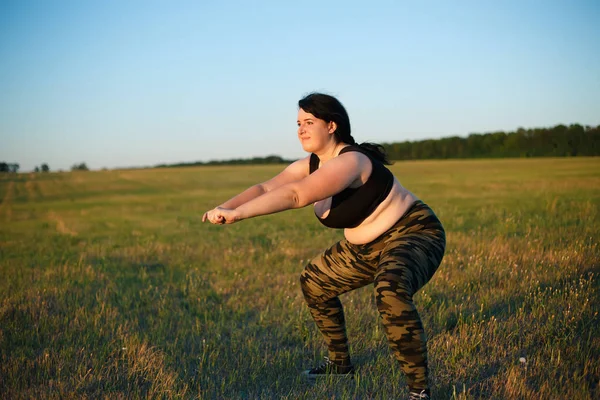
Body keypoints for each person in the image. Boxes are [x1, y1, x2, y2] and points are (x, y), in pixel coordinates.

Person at [202, 93, 445, 400]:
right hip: (365, 248)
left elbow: (295, 196)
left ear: (331, 126)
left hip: (413, 233)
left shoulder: (352, 160)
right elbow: (266, 187)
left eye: (309, 122)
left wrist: (239, 215)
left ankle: (419, 391)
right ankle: (340, 364)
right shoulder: (311, 163)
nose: (301, 130)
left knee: (390, 289)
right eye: (298, 123)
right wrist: (225, 206)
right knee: (314, 282)